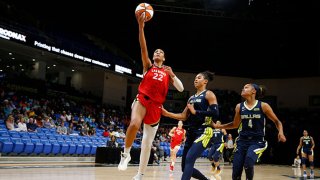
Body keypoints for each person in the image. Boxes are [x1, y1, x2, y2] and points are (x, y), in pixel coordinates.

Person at [117, 13, 184, 180]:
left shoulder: (167, 72)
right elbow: (143, 47)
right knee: (134, 124)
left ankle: (140, 174)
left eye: (160, 52)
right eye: (156, 51)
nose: (157, 53)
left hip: (156, 107)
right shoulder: (148, 66)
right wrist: (141, 27)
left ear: (164, 57)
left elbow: (181, 89)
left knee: (147, 144)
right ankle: (125, 154)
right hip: (142, 100)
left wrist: (173, 74)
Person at [212, 83, 286, 180]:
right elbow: (235, 124)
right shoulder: (239, 106)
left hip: (257, 142)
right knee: (236, 173)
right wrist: (219, 126)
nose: (243, 89)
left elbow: (277, 121)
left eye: (246, 87)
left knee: (248, 162)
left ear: (253, 91)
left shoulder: (263, 106)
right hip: (242, 142)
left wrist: (280, 132)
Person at [162, 71, 218, 180]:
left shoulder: (209, 94)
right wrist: (167, 113)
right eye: (195, 78)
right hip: (192, 132)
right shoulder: (191, 98)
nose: (195, 79)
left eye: (199, 77)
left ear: (205, 81)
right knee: (185, 167)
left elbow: (215, 113)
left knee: (189, 159)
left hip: (204, 131)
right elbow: (183, 116)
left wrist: (196, 112)